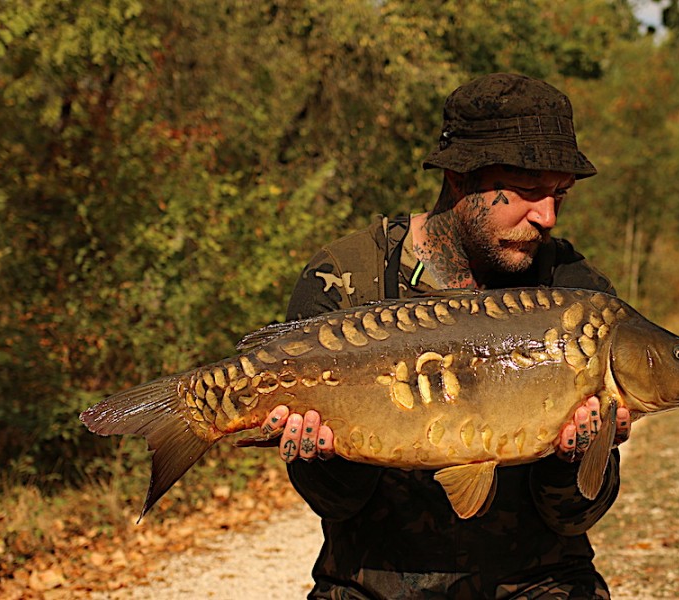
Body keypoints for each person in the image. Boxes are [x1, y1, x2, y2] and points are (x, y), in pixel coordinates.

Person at [259, 73, 632, 599]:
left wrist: (573, 459)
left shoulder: (574, 295)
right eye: (526, 191)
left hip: (536, 583)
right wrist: (323, 460)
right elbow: (336, 505)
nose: (546, 217)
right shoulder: (348, 277)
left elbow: (576, 516)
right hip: (371, 584)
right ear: (460, 179)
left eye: (559, 195)